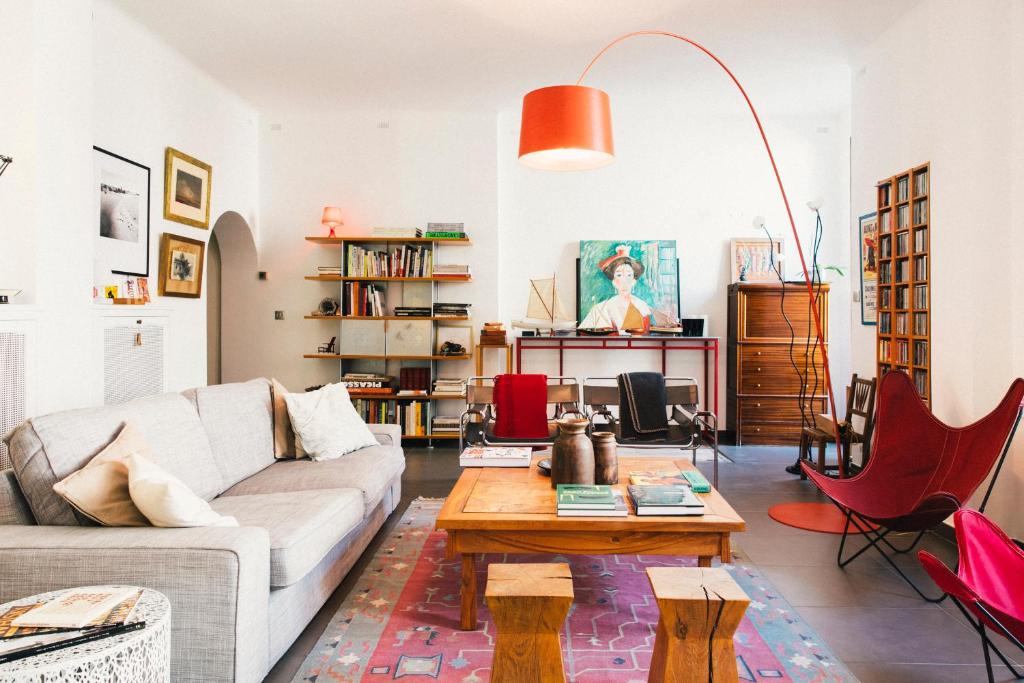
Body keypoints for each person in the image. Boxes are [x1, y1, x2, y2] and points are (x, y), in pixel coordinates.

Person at [579, 245, 653, 333]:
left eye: (629, 275)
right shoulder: (601, 308)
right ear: (613, 281)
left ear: (634, 280)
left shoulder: (642, 306)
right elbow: (583, 332)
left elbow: (645, 333)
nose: (624, 280)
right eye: (619, 275)